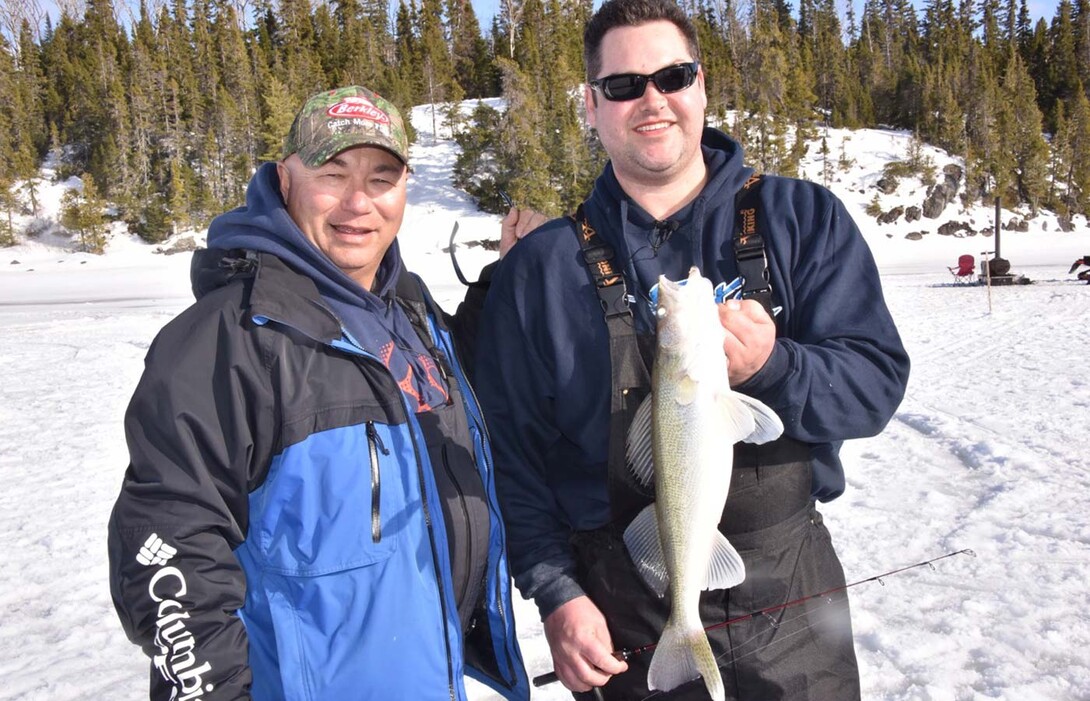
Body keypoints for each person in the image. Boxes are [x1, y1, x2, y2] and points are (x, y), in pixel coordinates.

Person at [475, 1, 911, 699]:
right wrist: (555, 592)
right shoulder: (542, 270)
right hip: (622, 618)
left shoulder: (800, 220)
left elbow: (873, 386)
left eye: (672, 76)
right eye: (623, 86)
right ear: (592, 106)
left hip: (793, 614)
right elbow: (510, 458)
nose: (652, 100)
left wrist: (776, 367)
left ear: (701, 86)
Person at [107, 85, 535, 701]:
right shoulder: (225, 342)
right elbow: (167, 551)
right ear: (285, 181)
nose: (359, 202)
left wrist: (504, 281)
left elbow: (433, 397)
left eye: (382, 178)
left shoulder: (407, 308)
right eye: (333, 174)